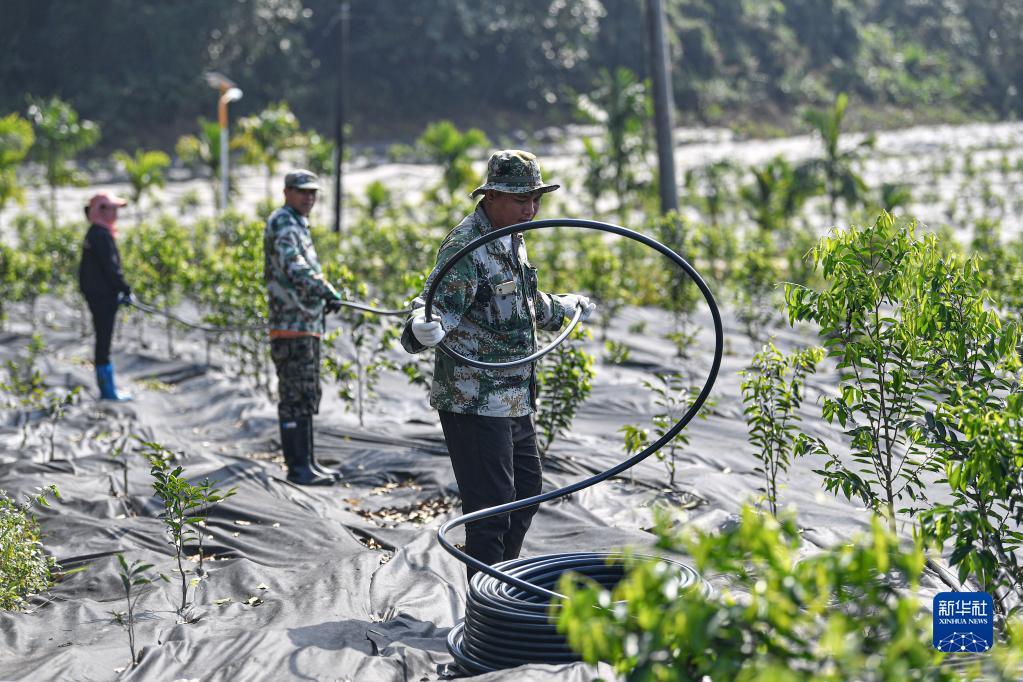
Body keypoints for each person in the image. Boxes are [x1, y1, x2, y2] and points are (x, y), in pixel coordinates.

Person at [401, 150, 595, 580]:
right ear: (491, 196)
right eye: (521, 199)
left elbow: (517, 302)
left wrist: (562, 307)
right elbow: (435, 307)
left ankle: (498, 584)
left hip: (513, 395)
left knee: (526, 491)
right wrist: (421, 327)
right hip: (475, 400)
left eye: (536, 199)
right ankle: (487, 615)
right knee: (491, 510)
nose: (531, 208)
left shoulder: (512, 237)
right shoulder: (466, 246)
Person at [264, 169, 347, 487]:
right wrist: (324, 289)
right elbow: (293, 264)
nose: (308, 197)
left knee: (306, 393)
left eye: (312, 192)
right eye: (301, 192)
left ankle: (308, 463)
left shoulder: (297, 222)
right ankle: (298, 468)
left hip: (305, 323)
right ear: (286, 192)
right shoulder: (284, 221)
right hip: (291, 324)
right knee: (296, 395)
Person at [78, 192, 133, 401]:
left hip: (99, 296)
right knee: (104, 342)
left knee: (103, 341)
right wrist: (124, 289)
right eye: (112, 208)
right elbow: (110, 268)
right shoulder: (100, 235)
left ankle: (107, 389)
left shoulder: (95, 233)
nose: (116, 213)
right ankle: (108, 392)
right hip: (102, 298)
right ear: (101, 211)